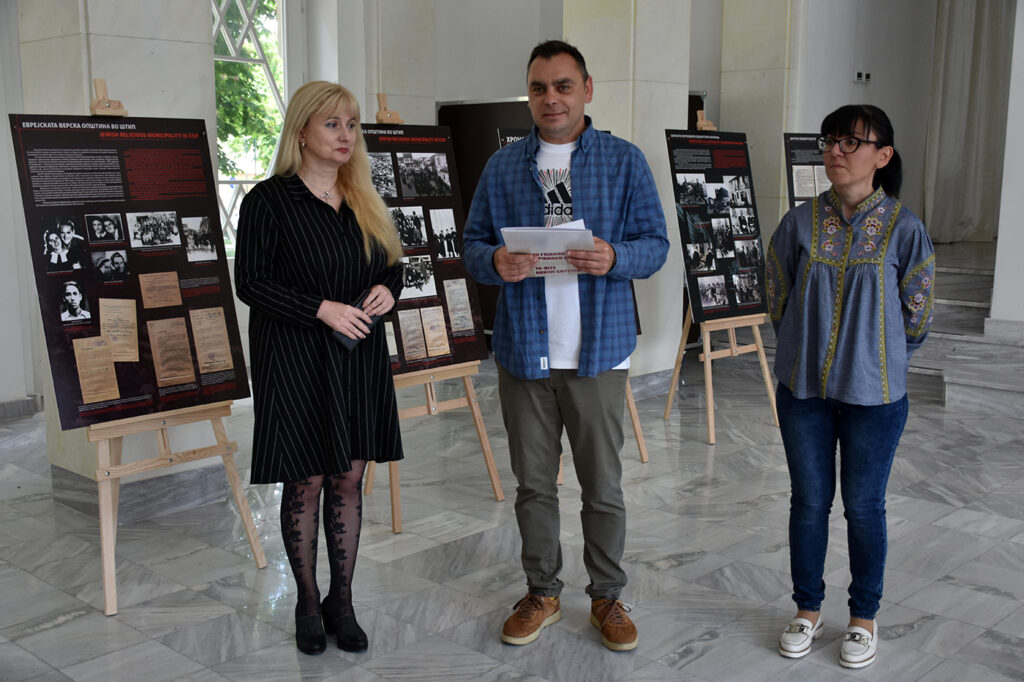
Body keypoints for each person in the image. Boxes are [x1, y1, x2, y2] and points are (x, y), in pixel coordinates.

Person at [463, 40, 669, 653]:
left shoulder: (623, 162)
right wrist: (497, 259)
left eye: (562, 86)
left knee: (603, 485)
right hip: (526, 353)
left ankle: (606, 595)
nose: (550, 98)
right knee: (533, 485)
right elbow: (473, 247)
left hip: (599, 351)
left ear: (586, 89)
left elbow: (655, 244)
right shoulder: (503, 167)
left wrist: (615, 256)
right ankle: (542, 591)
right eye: (538, 88)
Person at [234, 81, 404, 656]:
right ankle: (308, 602)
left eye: (352, 125)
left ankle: (343, 600)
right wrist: (320, 309)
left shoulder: (363, 197)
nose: (345, 136)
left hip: (356, 360)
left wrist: (386, 289)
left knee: (350, 477)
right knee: (306, 479)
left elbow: (393, 265)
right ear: (301, 131)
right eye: (333, 124)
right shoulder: (267, 200)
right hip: (296, 359)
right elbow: (251, 282)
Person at [766, 105, 934, 669]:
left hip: (876, 399)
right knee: (808, 502)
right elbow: (777, 293)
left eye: (851, 142)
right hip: (803, 391)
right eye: (829, 140)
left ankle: (863, 617)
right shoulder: (799, 223)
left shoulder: (905, 228)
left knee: (864, 508)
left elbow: (918, 313)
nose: (835, 151)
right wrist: (800, 349)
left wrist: (876, 360)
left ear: (882, 156)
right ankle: (807, 609)